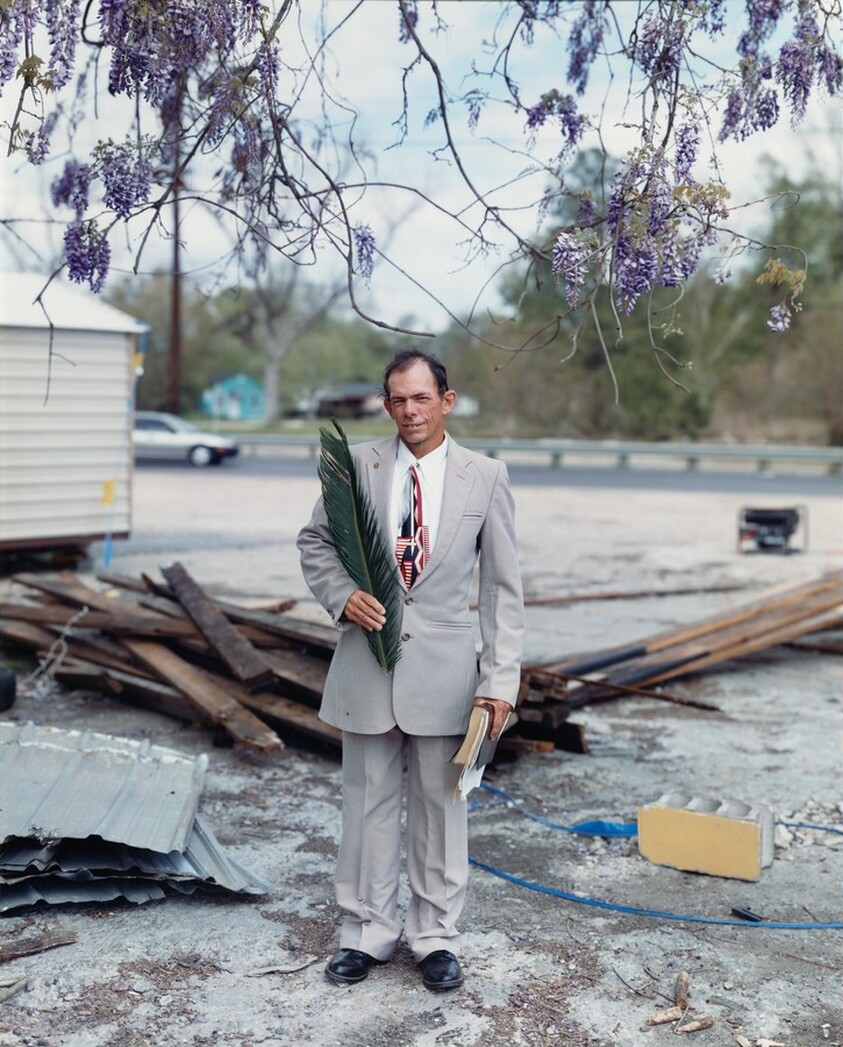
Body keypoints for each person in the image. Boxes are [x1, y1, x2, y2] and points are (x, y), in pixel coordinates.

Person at [297, 348, 524, 992]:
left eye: (421, 398)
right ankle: (366, 932)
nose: (408, 411)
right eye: (397, 399)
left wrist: (499, 682)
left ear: (446, 402)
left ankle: (433, 938)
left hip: (448, 674)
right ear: (385, 402)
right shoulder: (355, 467)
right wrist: (341, 593)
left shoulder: (486, 476)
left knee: (441, 809)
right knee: (366, 804)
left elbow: (503, 590)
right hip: (367, 667)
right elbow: (314, 541)